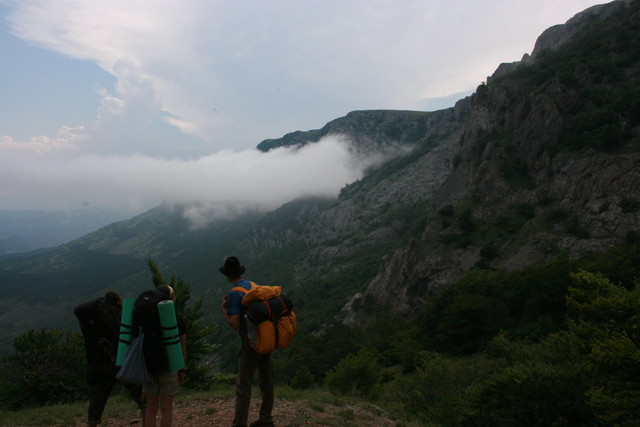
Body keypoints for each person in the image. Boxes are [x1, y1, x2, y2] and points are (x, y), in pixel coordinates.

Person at [74, 290, 146, 427]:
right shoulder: (122, 314)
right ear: (118, 301)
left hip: (103, 364)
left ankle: (92, 423)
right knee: (140, 396)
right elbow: (133, 334)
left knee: (98, 398)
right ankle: (148, 421)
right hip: (122, 360)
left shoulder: (92, 320)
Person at [219, 256, 275, 427]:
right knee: (267, 380)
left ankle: (239, 424)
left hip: (250, 343)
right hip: (266, 337)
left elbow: (235, 325)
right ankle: (266, 419)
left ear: (228, 276)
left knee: (244, 385)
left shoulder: (235, 294)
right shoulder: (252, 285)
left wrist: (223, 310)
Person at [134, 285, 187, 427]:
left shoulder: (145, 319)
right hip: (169, 367)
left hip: (149, 366)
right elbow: (182, 348)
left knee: (151, 409)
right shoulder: (176, 319)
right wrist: (182, 369)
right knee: (166, 409)